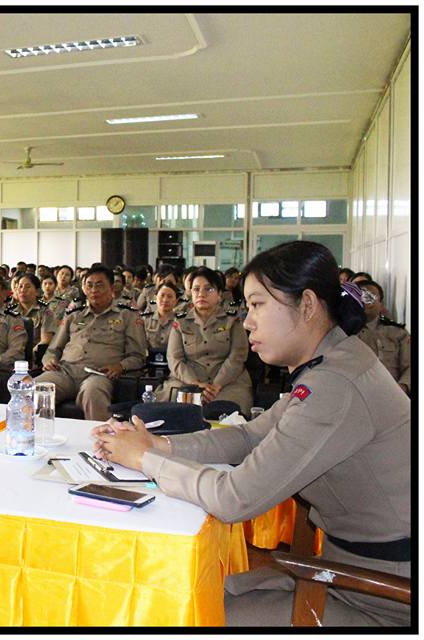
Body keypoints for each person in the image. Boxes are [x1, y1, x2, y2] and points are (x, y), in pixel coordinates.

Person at [92, 240, 410, 627]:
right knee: (182, 592)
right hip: (347, 573)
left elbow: (233, 498)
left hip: (382, 595)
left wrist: (145, 459)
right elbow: (250, 437)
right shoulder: (332, 363)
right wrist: (160, 444)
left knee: (178, 614)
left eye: (258, 305)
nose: (247, 321)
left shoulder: (335, 386)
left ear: (307, 305)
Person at [35, 267, 147, 421]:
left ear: (112, 287)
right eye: (89, 285)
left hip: (100, 374)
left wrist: (120, 366)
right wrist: (48, 360)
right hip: (66, 372)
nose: (94, 290)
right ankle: (33, 438)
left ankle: (100, 441)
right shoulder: (74, 315)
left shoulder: (127, 315)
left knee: (93, 392)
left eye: (100, 285)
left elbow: (138, 356)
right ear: (83, 288)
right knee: (37, 388)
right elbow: (53, 349)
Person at [154, 267, 253, 414]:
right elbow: (175, 359)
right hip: (187, 381)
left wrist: (216, 385)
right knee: (170, 411)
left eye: (209, 289)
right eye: (196, 289)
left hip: (228, 382)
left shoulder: (232, 320)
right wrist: (196, 384)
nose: (201, 294)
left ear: (219, 294)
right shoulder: (181, 321)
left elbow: (237, 357)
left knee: (230, 412)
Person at [356, 280, 410, 395]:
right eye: (361, 296)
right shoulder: (342, 332)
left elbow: (409, 366)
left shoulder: (398, 333)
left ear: (381, 304)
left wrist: (403, 387)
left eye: (371, 296)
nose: (366, 301)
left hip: (393, 396)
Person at [10, 273, 56, 349]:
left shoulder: (45, 311)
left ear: (37, 291)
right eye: (20, 286)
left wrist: (29, 355)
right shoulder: (11, 311)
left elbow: (45, 341)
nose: (22, 290)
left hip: (34, 354)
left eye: (28, 287)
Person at [140, 282, 182, 364]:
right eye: (162, 295)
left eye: (169, 297)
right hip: (148, 363)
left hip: (174, 365)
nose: (165, 300)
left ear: (176, 301)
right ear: (155, 298)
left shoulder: (181, 321)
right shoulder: (145, 319)